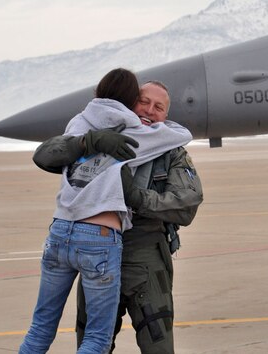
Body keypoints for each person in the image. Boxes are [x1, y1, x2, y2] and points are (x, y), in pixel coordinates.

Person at [20, 69, 193, 354]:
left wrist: (136, 196)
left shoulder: (168, 151)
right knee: (95, 339)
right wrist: (88, 142)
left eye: (159, 107)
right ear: (128, 103)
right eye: (143, 102)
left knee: (42, 328)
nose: (149, 111)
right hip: (100, 243)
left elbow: (187, 205)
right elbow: (45, 154)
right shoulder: (128, 134)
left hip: (132, 255)